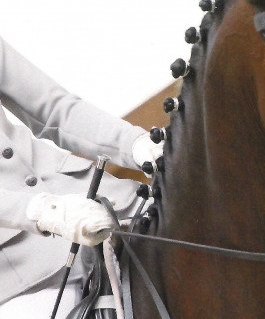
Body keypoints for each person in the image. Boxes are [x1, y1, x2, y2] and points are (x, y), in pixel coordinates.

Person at [0, 35, 163, 317]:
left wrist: (136, 145)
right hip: (24, 267)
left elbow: (55, 110)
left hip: (95, 196)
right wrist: (41, 210)